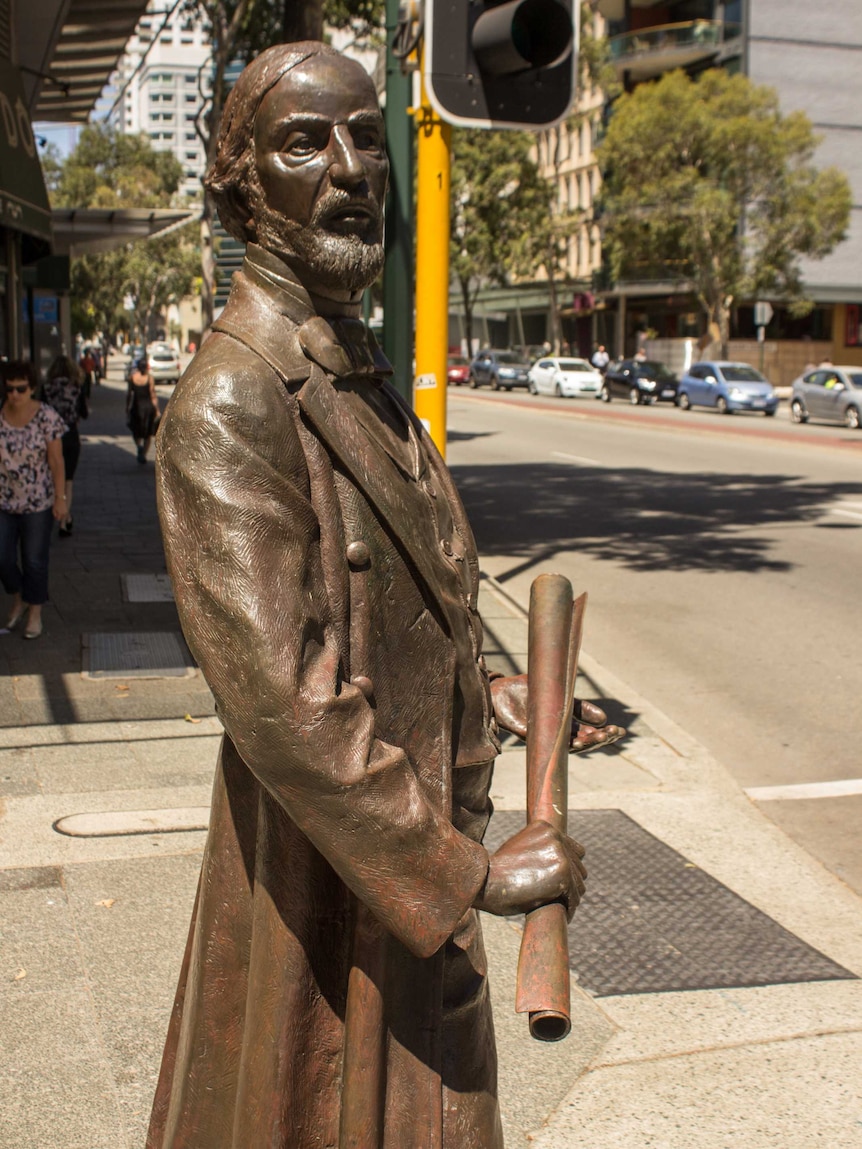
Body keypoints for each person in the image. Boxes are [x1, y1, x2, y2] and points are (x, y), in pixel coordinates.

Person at [147, 43, 623, 1149]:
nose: (352, 165)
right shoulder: (235, 399)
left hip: (396, 883)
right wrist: (464, 876)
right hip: (340, 890)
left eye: (366, 136)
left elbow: (412, 586)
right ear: (241, 184)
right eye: (306, 143)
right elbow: (283, 700)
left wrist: (487, 685)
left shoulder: (354, 368)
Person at [0, 361, 67, 639]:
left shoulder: (46, 417)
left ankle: (35, 612)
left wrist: (60, 498)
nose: (14, 394)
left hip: (37, 502)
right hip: (3, 501)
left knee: (35, 560)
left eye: (21, 389)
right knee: (3, 558)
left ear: (32, 388)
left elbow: (56, 461)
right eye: (10, 389)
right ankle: (20, 595)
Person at [42, 355, 88, 537]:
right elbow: (83, 412)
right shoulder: (76, 387)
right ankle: (64, 520)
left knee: (52, 476)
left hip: (49, 437)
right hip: (70, 436)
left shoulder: (46, 388)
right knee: (68, 479)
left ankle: (53, 514)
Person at [126, 356, 160, 464]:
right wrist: (157, 410)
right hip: (148, 408)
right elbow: (152, 395)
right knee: (148, 433)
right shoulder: (149, 378)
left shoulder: (132, 378)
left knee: (135, 430)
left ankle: (139, 447)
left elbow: (129, 394)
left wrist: (127, 407)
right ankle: (144, 454)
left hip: (136, 407)